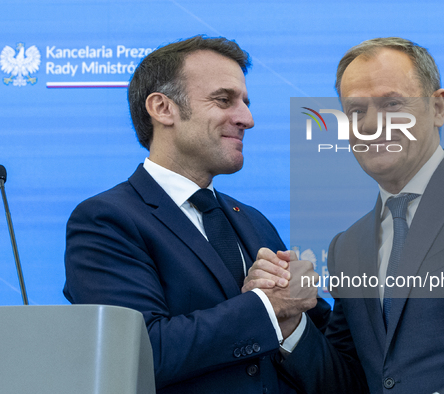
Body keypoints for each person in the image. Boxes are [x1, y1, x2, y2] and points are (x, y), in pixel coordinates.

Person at [245, 37, 444, 393]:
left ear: (438, 108)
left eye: (391, 104)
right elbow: (348, 379)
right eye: (356, 111)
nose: (371, 124)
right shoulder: (347, 246)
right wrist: (292, 325)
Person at [63, 35, 329, 394]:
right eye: (224, 100)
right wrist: (267, 307)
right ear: (162, 108)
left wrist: (293, 321)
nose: (247, 119)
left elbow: (336, 369)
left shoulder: (254, 222)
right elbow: (139, 354)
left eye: (245, 103)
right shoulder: (106, 220)